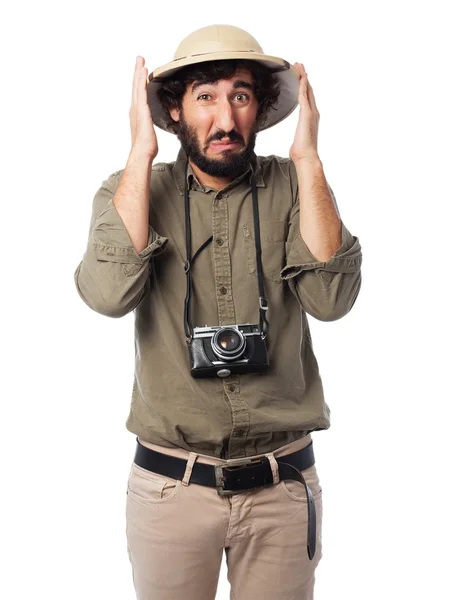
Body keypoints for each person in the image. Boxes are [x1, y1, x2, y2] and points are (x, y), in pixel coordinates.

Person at [74, 24, 362, 600]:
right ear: (175, 111)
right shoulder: (132, 188)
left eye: (241, 95)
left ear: (259, 108)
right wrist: (139, 148)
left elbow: (332, 301)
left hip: (281, 487)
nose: (225, 120)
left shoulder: (295, 184)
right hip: (169, 490)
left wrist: (308, 157)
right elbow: (107, 295)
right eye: (204, 97)